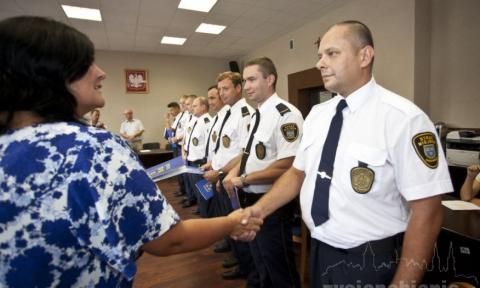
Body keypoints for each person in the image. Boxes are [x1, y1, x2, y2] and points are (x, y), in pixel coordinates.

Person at [0, 16, 261, 288]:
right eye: (86, 63)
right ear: (50, 74)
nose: (101, 72)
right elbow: (168, 238)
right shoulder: (92, 147)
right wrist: (231, 222)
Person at [241, 20, 453, 286]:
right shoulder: (318, 115)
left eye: (332, 53)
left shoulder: (403, 119)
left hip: (371, 259)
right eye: (320, 56)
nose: (320, 63)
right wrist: (259, 210)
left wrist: (403, 284)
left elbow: (428, 210)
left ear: (364, 56)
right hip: (320, 250)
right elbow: (297, 173)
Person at [223, 57, 303, 288]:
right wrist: (234, 173)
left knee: (279, 267)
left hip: (272, 202)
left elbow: (288, 164)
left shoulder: (286, 114)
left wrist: (245, 178)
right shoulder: (257, 115)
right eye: (245, 80)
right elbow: (248, 154)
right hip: (248, 197)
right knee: (260, 261)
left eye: (251, 79)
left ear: (270, 79)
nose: (246, 86)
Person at [202, 71, 257, 282]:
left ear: (238, 88)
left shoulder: (244, 113)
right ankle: (238, 258)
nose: (222, 93)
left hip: (233, 179)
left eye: (226, 89)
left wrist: (223, 172)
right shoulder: (227, 112)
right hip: (221, 177)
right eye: (220, 89)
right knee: (228, 221)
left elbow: (244, 151)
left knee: (238, 225)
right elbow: (221, 147)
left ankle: (246, 267)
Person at [185, 96, 211, 217]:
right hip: (192, 160)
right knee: (197, 191)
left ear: (204, 107)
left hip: (200, 162)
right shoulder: (197, 120)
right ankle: (202, 210)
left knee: (204, 193)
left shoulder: (207, 122)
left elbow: (210, 144)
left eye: (195, 106)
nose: (192, 108)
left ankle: (206, 216)